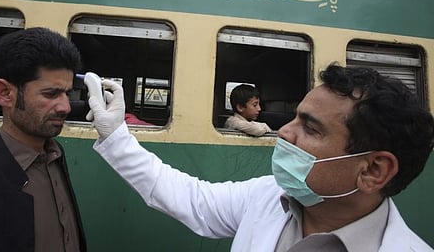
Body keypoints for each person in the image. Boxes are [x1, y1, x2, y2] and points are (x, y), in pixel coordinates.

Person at [87, 63, 434, 251]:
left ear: (373, 170)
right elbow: (191, 198)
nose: (284, 132)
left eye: (310, 128)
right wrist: (116, 137)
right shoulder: (269, 198)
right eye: (294, 117)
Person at [0, 27, 87, 252]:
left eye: (67, 93)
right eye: (50, 94)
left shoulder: (55, 160)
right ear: (5, 93)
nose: (65, 106)